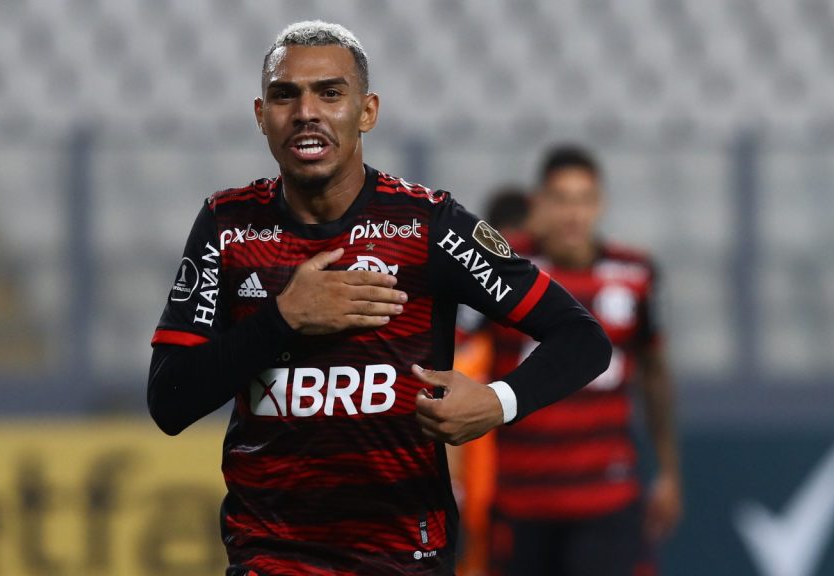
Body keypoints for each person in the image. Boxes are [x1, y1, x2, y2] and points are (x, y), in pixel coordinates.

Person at [146, 22, 611, 576]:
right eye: (284, 95)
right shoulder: (228, 225)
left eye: (330, 92)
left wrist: (497, 402)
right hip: (273, 558)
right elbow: (169, 402)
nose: (306, 112)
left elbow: (583, 338)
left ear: (367, 111)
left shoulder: (429, 224)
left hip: (404, 558)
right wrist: (283, 318)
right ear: (260, 116)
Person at [456, 146, 683, 576]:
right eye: (561, 199)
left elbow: (655, 373)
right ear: (538, 204)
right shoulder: (504, 268)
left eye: (583, 200)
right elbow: (451, 349)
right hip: (521, 499)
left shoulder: (636, 273)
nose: (573, 214)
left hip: (606, 499)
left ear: (600, 204)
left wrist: (669, 471)